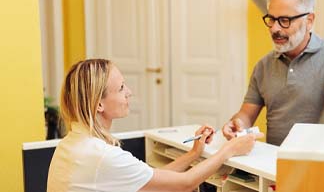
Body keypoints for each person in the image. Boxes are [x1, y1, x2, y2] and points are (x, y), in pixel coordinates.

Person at [47, 59, 263, 192]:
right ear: (99, 104)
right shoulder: (102, 157)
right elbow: (185, 183)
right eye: (121, 88)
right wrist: (229, 150)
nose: (129, 92)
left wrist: (194, 154)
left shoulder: (72, 144)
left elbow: (150, 180)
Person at [222, 0, 324, 146]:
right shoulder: (263, 65)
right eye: (271, 19)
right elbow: (246, 115)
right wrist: (237, 124)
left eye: (284, 20)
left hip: (317, 164)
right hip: (272, 163)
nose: (274, 28)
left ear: (309, 20)